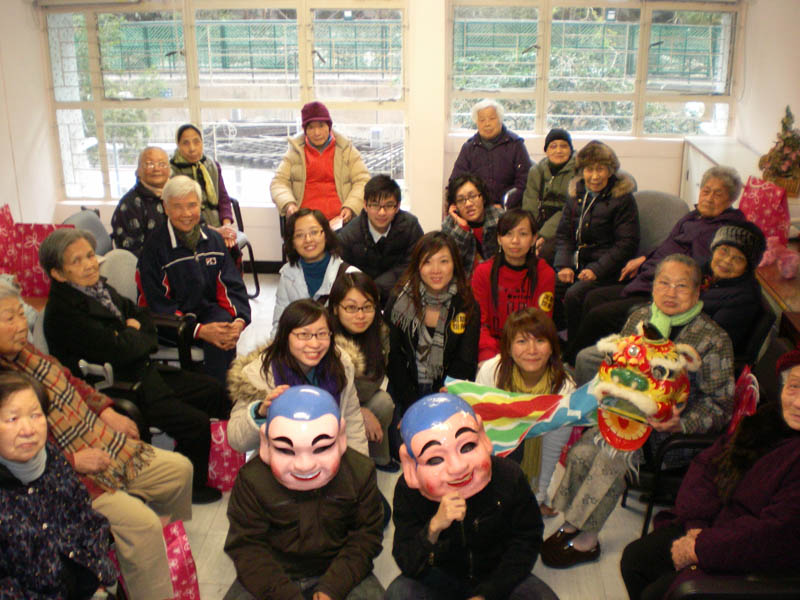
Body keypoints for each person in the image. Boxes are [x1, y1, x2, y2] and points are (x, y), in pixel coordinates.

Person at [0, 280, 193, 600]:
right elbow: (21, 462)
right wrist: (74, 462)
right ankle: (147, 570)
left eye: (21, 314)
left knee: (179, 471)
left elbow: (70, 380)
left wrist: (105, 410)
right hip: (65, 478)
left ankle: (162, 551)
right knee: (143, 526)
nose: (22, 325)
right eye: (10, 318)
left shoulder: (27, 354)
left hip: (95, 439)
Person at [543, 255, 735, 569]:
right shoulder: (640, 318)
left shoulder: (712, 338)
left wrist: (680, 424)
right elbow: (619, 366)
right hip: (621, 417)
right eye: (664, 283)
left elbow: (721, 405)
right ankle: (572, 522)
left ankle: (587, 540)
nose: (670, 292)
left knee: (609, 463)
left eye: (681, 286)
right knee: (580, 453)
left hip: (666, 436)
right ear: (653, 285)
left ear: (697, 291)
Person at [40, 227, 230, 504]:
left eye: (90, 256)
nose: (89, 264)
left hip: (142, 369)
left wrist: (132, 333)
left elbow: (141, 316)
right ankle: (189, 486)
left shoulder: (97, 289)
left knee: (213, 390)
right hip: (117, 385)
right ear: (58, 273)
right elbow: (120, 351)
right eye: (77, 261)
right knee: (195, 423)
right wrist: (133, 332)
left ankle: (217, 462)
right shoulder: (64, 313)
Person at [620, 350, 800, 600]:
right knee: (636, 560)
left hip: (757, 558)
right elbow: (707, 466)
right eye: (794, 387)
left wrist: (700, 547)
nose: (798, 402)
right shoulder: (766, 421)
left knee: (659, 593)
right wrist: (696, 526)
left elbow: (774, 535)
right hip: (713, 526)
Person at [385, 393, 556, 600]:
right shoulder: (408, 491)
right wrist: (433, 528)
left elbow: (527, 540)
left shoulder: (508, 476)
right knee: (400, 594)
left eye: (467, 446)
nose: (458, 467)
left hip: (497, 574)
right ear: (410, 466)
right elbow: (407, 560)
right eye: (435, 459)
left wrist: (489, 593)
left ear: (482, 438)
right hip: (440, 575)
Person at [224, 386, 384, 600]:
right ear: (266, 444)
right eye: (285, 450)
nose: (305, 465)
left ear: (341, 438)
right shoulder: (252, 480)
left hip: (337, 570)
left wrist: (333, 587)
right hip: (274, 573)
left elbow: (365, 538)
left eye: (322, 448)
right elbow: (247, 547)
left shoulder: (359, 473)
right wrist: (283, 594)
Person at [571, 165, 747, 354]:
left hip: (661, 289)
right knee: (591, 297)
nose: (709, 198)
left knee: (598, 315)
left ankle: (579, 360)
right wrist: (644, 258)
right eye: (706, 191)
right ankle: (585, 355)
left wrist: (661, 277)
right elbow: (668, 244)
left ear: (731, 200)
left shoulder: (722, 231)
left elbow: (697, 265)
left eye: (718, 194)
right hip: (645, 276)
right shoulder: (694, 217)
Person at [0, 372, 117, 600]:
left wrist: (96, 572)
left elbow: (86, 518)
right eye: (12, 419)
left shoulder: (51, 458)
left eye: (36, 415)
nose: (28, 430)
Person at [138, 175, 251, 383]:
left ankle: (224, 390)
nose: (186, 214)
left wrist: (238, 321)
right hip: (169, 323)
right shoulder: (154, 248)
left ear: (200, 205)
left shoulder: (214, 240)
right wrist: (198, 330)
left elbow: (232, 286)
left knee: (223, 328)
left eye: (192, 205)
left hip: (205, 312)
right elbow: (156, 304)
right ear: (166, 207)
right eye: (177, 206)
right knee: (217, 337)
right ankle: (216, 394)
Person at [227, 299, 368, 457]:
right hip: (279, 459)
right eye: (304, 335)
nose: (314, 344)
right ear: (285, 336)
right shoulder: (261, 372)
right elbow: (236, 440)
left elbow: (352, 422)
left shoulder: (341, 364)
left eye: (322, 334)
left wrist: (359, 465)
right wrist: (260, 413)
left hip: (329, 456)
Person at [475, 308, 575, 517]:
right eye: (521, 341)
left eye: (540, 341)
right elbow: (480, 434)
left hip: (534, 461)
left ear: (552, 347)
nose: (532, 350)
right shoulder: (491, 372)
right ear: (508, 347)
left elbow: (550, 453)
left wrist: (536, 499)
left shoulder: (564, 390)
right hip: (494, 453)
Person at [553, 140, 639, 362]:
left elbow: (626, 244)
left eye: (600, 169)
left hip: (608, 269)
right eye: (589, 169)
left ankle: (573, 353)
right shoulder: (576, 195)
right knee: (548, 282)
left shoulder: (622, 199)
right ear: (581, 171)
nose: (594, 176)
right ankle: (554, 341)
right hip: (577, 263)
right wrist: (563, 265)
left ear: (610, 171)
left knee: (575, 295)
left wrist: (596, 270)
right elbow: (564, 235)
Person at [386, 232, 480, 415]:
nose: (436, 270)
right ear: (417, 265)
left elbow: (465, 362)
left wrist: (440, 402)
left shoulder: (467, 304)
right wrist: (413, 405)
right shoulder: (399, 301)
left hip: (449, 394)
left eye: (443, 261)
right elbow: (394, 357)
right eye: (427, 262)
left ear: (454, 264)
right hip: (404, 394)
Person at [328, 272, 397, 471]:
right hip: (331, 407)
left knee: (383, 402)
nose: (360, 315)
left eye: (367, 307)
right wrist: (359, 412)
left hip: (362, 398)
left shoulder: (380, 331)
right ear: (335, 308)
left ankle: (376, 457)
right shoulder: (323, 337)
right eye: (351, 308)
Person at [471, 208, 555, 363]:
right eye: (508, 234)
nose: (515, 240)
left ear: (534, 238)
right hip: (491, 351)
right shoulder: (483, 272)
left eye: (523, 234)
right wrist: (490, 358)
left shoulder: (545, 274)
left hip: (530, 351)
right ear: (499, 239)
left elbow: (541, 325)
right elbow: (480, 324)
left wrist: (522, 353)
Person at [270, 101, 370, 224]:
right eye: (311, 127)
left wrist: (350, 206)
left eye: (321, 126)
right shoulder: (295, 151)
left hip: (341, 221)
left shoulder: (346, 149)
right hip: (305, 222)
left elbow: (363, 180)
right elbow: (278, 182)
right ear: (305, 130)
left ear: (329, 126)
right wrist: (289, 204)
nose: (317, 133)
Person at [337, 174, 424, 306]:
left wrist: (376, 288)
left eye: (388, 206)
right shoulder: (349, 235)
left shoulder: (410, 227)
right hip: (361, 300)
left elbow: (413, 265)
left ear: (397, 207)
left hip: (402, 296)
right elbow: (344, 274)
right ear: (365, 205)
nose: (382, 212)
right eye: (375, 205)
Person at [272, 207, 359, 336]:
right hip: (300, 345)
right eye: (299, 235)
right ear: (292, 242)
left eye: (314, 232)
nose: (308, 239)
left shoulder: (351, 275)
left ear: (326, 235)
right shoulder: (287, 275)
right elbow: (279, 325)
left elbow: (360, 325)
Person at [449, 99, 532, 208]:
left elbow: (525, 181)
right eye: (482, 120)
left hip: (508, 208)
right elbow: (455, 181)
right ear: (477, 123)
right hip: (475, 208)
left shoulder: (516, 145)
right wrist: (454, 203)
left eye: (492, 118)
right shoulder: (469, 148)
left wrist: (505, 204)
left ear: (500, 120)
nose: (487, 124)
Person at [699, 221, 766, 357]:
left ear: (747, 267)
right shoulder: (702, 271)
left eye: (738, 259)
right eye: (724, 250)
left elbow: (711, 343)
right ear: (714, 249)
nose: (727, 261)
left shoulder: (744, 299)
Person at [170, 123, 239, 249]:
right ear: (178, 145)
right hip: (190, 229)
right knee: (216, 247)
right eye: (186, 143)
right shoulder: (172, 172)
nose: (192, 148)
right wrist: (217, 232)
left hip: (218, 224)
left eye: (196, 142)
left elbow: (223, 199)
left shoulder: (211, 165)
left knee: (231, 246)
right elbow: (184, 214)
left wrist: (226, 226)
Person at [521, 128, 578, 264]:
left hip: (566, 224)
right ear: (546, 150)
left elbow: (569, 209)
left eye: (563, 146)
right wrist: (529, 232)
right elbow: (530, 203)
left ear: (570, 150)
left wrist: (542, 235)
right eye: (553, 146)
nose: (558, 151)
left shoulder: (578, 172)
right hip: (540, 220)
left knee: (544, 251)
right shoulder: (536, 171)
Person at [111, 146, 171, 257]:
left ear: (169, 170)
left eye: (162, 164)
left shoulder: (178, 194)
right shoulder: (130, 205)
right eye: (149, 164)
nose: (156, 169)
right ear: (138, 171)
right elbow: (131, 252)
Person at [441, 173, 503, 276]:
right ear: (454, 205)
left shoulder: (500, 218)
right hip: (464, 283)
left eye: (473, 196)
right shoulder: (449, 225)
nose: (468, 204)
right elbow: (450, 262)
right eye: (461, 200)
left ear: (483, 197)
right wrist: (462, 228)